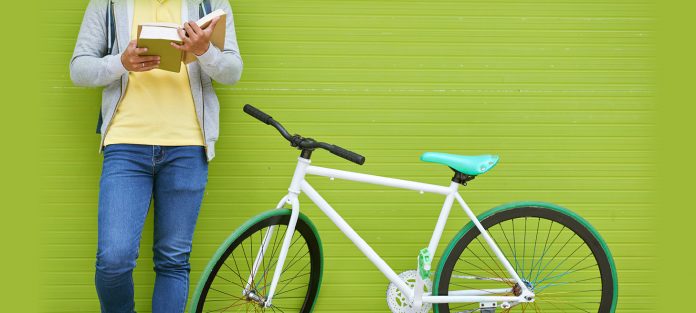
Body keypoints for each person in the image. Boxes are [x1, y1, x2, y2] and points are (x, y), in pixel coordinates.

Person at [69, 0, 242, 312]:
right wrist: (121, 63)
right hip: (125, 146)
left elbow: (232, 71)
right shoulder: (109, 3)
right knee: (113, 260)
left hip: (188, 146)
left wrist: (205, 52)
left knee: (173, 259)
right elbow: (79, 68)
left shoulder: (208, 4)